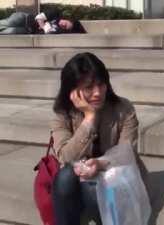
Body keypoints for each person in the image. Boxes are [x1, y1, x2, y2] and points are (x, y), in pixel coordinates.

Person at [50, 52, 147, 225]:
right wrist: (89, 119)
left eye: (101, 84)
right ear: (72, 91)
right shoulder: (63, 112)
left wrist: (100, 163)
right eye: (88, 88)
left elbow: (127, 153)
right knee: (64, 178)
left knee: (91, 187)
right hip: (77, 178)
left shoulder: (123, 109)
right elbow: (65, 157)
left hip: (115, 176)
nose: (97, 93)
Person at [0, 8, 85, 34]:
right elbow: (39, 17)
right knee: (8, 23)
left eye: (65, 27)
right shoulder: (55, 13)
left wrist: (44, 26)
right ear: (66, 19)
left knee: (9, 31)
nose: (63, 25)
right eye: (65, 23)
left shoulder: (58, 31)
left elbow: (47, 33)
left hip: (27, 30)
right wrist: (44, 26)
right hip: (24, 18)